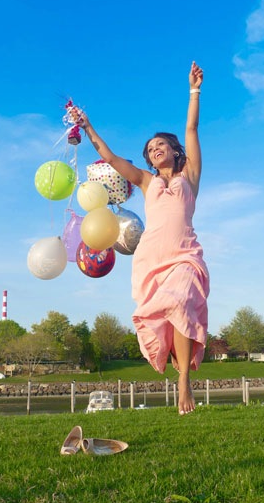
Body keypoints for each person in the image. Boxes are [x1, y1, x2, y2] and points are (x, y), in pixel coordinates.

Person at [76, 62, 209, 415]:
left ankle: (183, 381)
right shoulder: (147, 182)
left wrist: (194, 90)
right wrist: (88, 127)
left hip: (184, 255)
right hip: (151, 258)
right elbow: (109, 157)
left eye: (160, 145)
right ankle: (176, 368)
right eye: (150, 149)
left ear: (175, 151)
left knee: (181, 302)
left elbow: (191, 127)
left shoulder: (189, 176)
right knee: (164, 315)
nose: (154, 150)